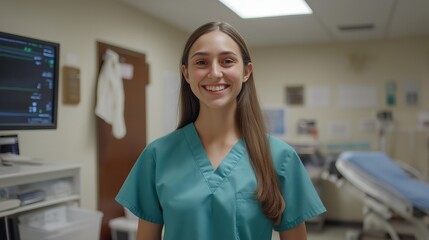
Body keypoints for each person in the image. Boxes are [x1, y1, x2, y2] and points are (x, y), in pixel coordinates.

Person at [116, 21, 326, 240]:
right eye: (202, 62)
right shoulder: (157, 156)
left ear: (246, 71)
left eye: (227, 61)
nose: (215, 73)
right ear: (186, 74)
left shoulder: (280, 158)